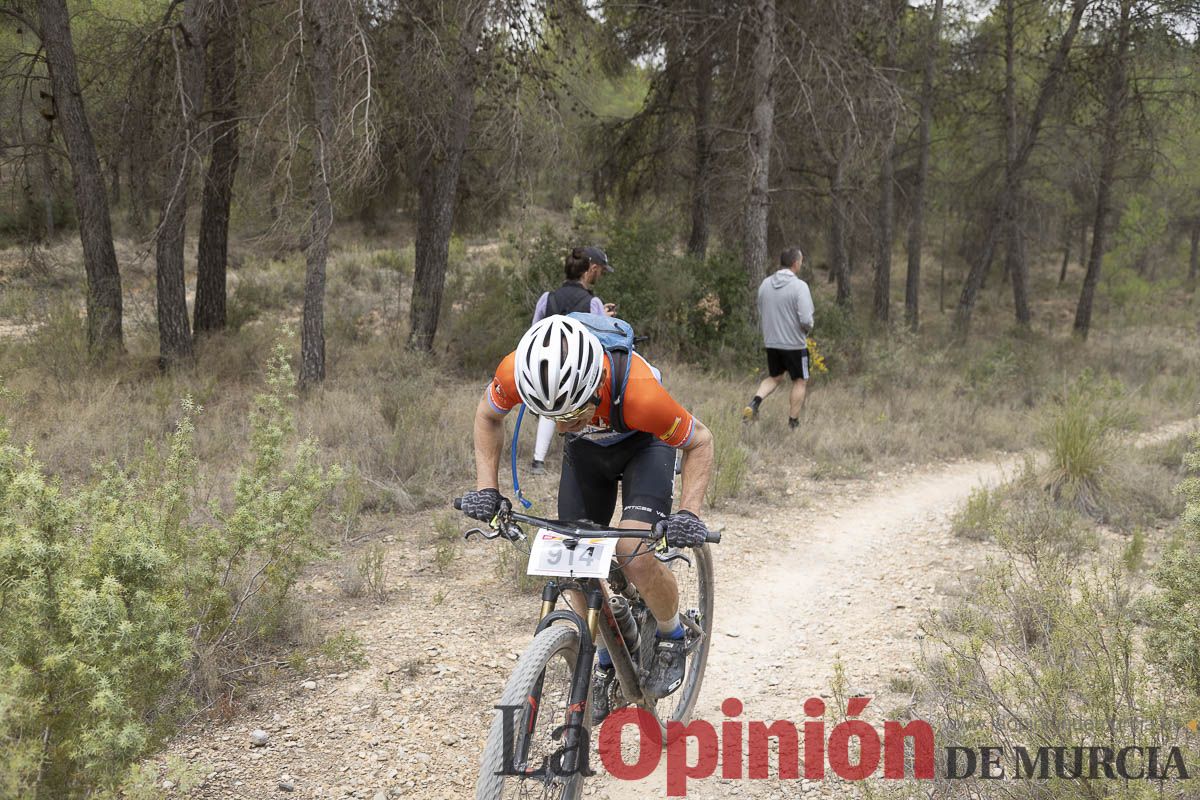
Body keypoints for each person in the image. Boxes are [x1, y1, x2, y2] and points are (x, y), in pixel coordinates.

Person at [458, 315, 715, 721]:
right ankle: (607, 653)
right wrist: (487, 488)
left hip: (643, 446)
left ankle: (671, 634)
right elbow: (487, 415)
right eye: (551, 417)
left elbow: (700, 440)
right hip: (587, 454)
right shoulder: (517, 371)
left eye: (572, 414)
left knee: (635, 552)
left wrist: (688, 513)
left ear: (595, 386)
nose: (561, 426)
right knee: (572, 560)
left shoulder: (641, 394)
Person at [529, 246, 617, 476]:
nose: (601, 276)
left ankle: (538, 460)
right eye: (601, 271)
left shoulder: (547, 299)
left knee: (551, 407)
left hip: (546, 373)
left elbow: (534, 334)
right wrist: (604, 318)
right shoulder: (593, 303)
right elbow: (600, 340)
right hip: (579, 375)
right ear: (592, 269)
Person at [744, 247, 814, 429]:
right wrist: (807, 329)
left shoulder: (765, 284)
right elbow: (806, 318)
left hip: (772, 342)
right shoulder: (800, 286)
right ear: (795, 263)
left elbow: (761, 310)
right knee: (800, 381)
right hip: (795, 344)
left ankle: (754, 403)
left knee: (775, 377)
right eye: (801, 261)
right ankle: (793, 422)